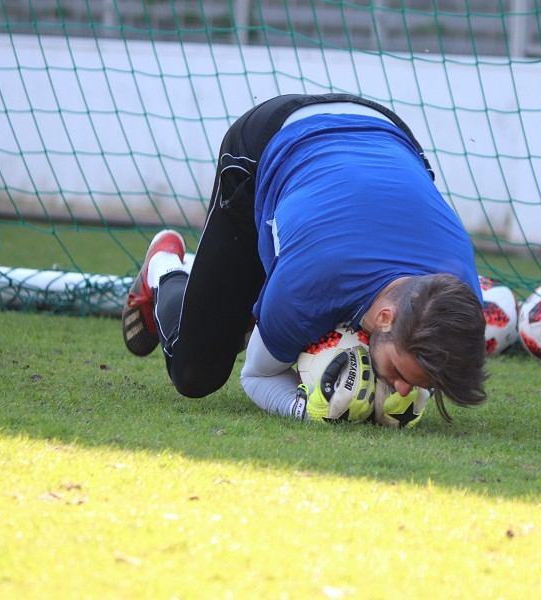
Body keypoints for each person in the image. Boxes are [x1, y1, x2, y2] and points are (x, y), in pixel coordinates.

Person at [122, 93, 487, 423]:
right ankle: (165, 265)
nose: (403, 390)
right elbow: (257, 376)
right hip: (272, 141)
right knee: (195, 373)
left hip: (388, 136)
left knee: (291, 307)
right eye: (401, 373)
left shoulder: (459, 298)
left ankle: (255, 304)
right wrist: (309, 409)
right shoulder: (313, 285)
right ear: (385, 317)